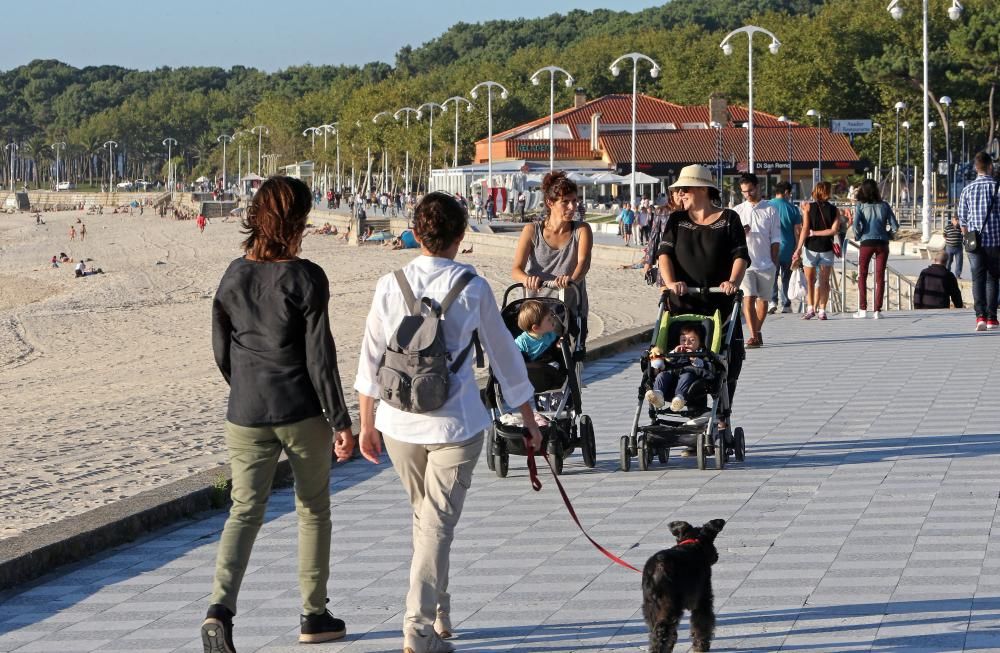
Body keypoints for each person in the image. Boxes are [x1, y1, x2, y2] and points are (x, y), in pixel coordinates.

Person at [354, 192, 542, 653]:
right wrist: (529, 418)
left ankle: (439, 611)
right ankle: (419, 631)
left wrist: (367, 423)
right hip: (455, 425)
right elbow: (505, 357)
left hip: (398, 423)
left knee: (428, 521)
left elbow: (370, 357)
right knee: (435, 524)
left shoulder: (389, 283)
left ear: (416, 234)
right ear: (461, 236)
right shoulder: (473, 288)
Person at [203, 176, 355, 653]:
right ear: (298, 221)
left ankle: (219, 611)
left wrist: (245, 387)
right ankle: (313, 615)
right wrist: (340, 420)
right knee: (312, 509)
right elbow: (319, 358)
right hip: (301, 410)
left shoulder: (232, 274)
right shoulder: (307, 277)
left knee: (244, 510)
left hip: (246, 410)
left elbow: (220, 349)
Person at [656, 164, 748, 451]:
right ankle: (696, 418)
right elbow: (664, 254)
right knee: (687, 358)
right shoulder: (677, 220)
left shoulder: (728, 219)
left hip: (720, 302)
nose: (680, 193)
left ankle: (721, 416)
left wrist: (732, 281)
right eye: (680, 189)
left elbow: (740, 255)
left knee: (725, 360)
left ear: (703, 190)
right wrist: (671, 283)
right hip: (685, 303)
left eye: (685, 189)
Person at [512, 170, 594, 346]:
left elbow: (583, 263)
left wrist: (571, 279)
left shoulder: (581, 230)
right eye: (565, 202)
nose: (573, 207)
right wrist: (528, 279)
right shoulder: (532, 231)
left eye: (574, 201)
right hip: (536, 311)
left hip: (569, 309)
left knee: (569, 363)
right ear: (550, 202)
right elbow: (516, 269)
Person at [733, 173, 780, 348]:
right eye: (744, 191)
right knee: (748, 297)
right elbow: (730, 239)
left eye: (750, 190)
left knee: (763, 300)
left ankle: (757, 331)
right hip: (745, 263)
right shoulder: (737, 211)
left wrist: (774, 262)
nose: (748, 194)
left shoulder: (770, 209)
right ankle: (752, 335)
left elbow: (776, 238)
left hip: (766, 263)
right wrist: (740, 233)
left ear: (758, 187)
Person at [958, 152, 1000, 331]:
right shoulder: (998, 188)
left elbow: (962, 220)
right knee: (992, 280)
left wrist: (967, 238)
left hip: (974, 243)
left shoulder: (967, 189)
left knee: (977, 280)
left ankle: (980, 317)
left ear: (976, 167)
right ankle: (992, 319)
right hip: (996, 242)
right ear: (990, 166)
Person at [792, 181, 840, 320]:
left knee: (810, 281)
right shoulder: (834, 209)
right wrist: (817, 233)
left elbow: (805, 229)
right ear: (828, 192)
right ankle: (822, 310)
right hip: (826, 249)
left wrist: (798, 248)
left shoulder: (808, 207)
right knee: (824, 281)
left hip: (810, 248)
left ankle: (810, 308)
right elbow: (834, 230)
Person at [852, 179, 899, 319]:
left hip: (866, 242)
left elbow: (855, 226)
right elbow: (895, 226)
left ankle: (862, 309)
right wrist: (888, 235)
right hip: (882, 243)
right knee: (880, 277)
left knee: (863, 275)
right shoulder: (884, 205)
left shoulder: (860, 206)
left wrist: (859, 236)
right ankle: (877, 310)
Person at [644, 324, 708, 412]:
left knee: (686, 376)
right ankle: (658, 395)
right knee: (662, 375)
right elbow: (667, 361)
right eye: (683, 340)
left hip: (689, 377)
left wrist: (694, 358)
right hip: (671, 374)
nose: (687, 343)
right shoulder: (676, 351)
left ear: (699, 343)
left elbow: (703, 366)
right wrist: (674, 353)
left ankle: (679, 398)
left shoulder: (700, 353)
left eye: (692, 340)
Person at [769, 182, 802, 314]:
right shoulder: (793, 209)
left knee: (773, 275)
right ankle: (786, 304)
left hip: (771, 248)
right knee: (786, 277)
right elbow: (797, 231)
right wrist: (798, 249)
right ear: (786, 192)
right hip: (788, 247)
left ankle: (772, 301)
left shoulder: (768, 205)